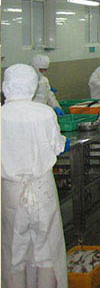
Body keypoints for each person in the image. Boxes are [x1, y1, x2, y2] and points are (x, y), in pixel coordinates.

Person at [2, 63, 68, 288]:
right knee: (47, 249)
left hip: (11, 191)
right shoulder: (44, 113)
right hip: (42, 188)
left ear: (6, 86)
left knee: (13, 252)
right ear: (32, 86)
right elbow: (57, 146)